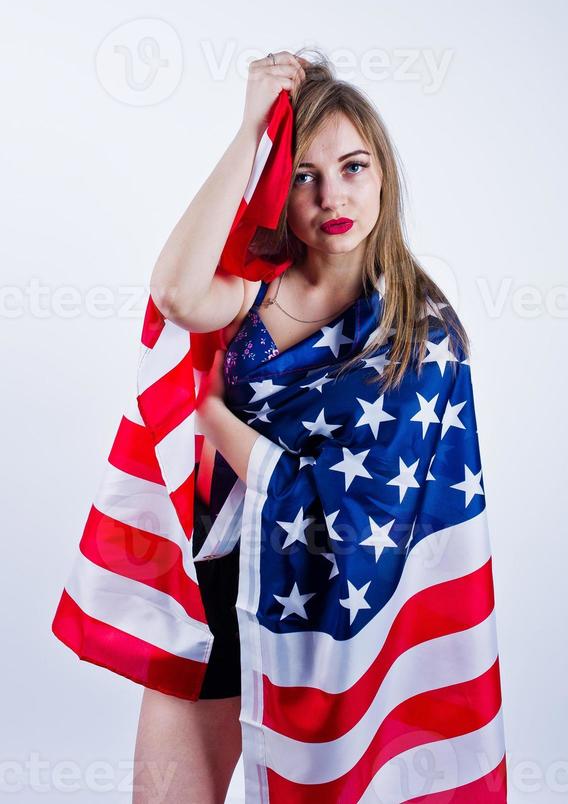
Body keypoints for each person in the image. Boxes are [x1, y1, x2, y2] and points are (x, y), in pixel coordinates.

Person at [132, 48, 472, 802]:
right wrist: (252, 128)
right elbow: (175, 293)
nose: (332, 195)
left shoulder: (419, 332)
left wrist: (214, 413)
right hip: (218, 585)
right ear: (277, 190)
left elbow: (363, 508)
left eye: (353, 167)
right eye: (304, 176)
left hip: (330, 612)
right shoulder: (254, 290)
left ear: (383, 176)